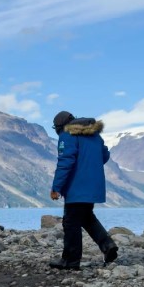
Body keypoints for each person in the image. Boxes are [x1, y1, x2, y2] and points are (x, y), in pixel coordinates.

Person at [49, 110, 119, 270]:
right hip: (94, 185)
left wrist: (56, 187)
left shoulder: (67, 135)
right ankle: (108, 245)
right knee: (86, 217)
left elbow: (65, 161)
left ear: (59, 126)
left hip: (77, 186)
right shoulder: (94, 135)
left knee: (70, 222)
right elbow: (105, 156)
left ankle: (70, 261)